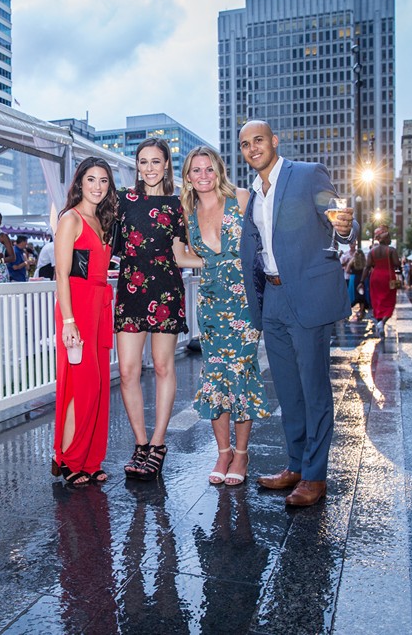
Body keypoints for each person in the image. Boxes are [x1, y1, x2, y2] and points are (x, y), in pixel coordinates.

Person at [236, 120, 356, 507]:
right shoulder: (254, 193)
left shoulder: (306, 175)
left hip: (307, 295)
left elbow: (340, 222)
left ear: (274, 141)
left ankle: (315, 476)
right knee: (288, 391)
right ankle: (296, 465)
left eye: (258, 140)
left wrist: (346, 228)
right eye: (245, 144)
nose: (252, 148)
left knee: (313, 389)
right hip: (272, 297)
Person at [114, 137, 203, 481]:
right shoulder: (122, 200)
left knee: (164, 367)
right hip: (130, 292)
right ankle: (140, 443)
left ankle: (158, 443)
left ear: (166, 165)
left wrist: (217, 260)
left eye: (155, 161)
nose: (149, 168)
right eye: (143, 161)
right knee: (127, 372)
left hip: (166, 291)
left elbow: (180, 255)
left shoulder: (178, 205)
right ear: (136, 165)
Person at [180, 146, 269, 486]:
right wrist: (208, 262)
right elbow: (184, 254)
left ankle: (241, 454)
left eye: (209, 169)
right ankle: (223, 452)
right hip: (211, 301)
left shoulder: (241, 199)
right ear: (188, 177)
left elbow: (264, 239)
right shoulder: (188, 212)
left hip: (244, 299)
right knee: (215, 374)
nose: (203, 176)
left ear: (219, 171)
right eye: (196, 170)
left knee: (241, 372)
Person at [51, 157, 118, 487]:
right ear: (80, 182)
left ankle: (91, 459)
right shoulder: (71, 219)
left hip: (98, 306)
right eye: (91, 179)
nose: (97, 186)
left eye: (103, 180)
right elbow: (61, 274)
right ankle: (67, 458)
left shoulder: (103, 220)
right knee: (81, 385)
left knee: (99, 385)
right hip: (76, 307)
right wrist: (68, 320)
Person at [362, 226, 401, 337]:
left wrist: (361, 281)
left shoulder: (372, 251)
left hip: (375, 277)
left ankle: (380, 323)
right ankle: (382, 322)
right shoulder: (391, 250)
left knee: (377, 300)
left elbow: (367, 267)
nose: (390, 240)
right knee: (389, 302)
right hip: (388, 277)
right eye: (389, 238)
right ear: (385, 239)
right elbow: (396, 263)